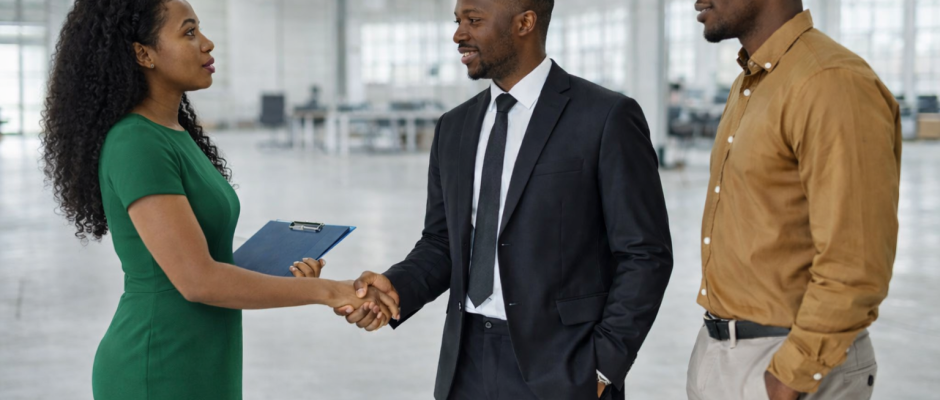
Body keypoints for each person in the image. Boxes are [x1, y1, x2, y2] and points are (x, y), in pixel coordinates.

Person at [40, 1, 397, 399]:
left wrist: (270, 272)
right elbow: (196, 280)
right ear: (143, 53)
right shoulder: (136, 142)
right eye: (189, 32)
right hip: (158, 365)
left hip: (204, 357)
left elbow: (203, 256)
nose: (207, 44)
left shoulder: (173, 133)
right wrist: (329, 291)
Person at [326, 0, 673, 398]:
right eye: (457, 21)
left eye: (473, 21)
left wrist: (603, 364)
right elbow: (442, 243)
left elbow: (645, 253)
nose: (458, 34)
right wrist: (395, 288)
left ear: (524, 23)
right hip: (466, 361)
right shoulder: (454, 127)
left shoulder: (605, 117)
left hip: (564, 365)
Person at [686, 1, 901, 399]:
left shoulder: (830, 81)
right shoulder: (752, 83)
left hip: (786, 365)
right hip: (724, 352)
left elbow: (857, 260)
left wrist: (789, 377)